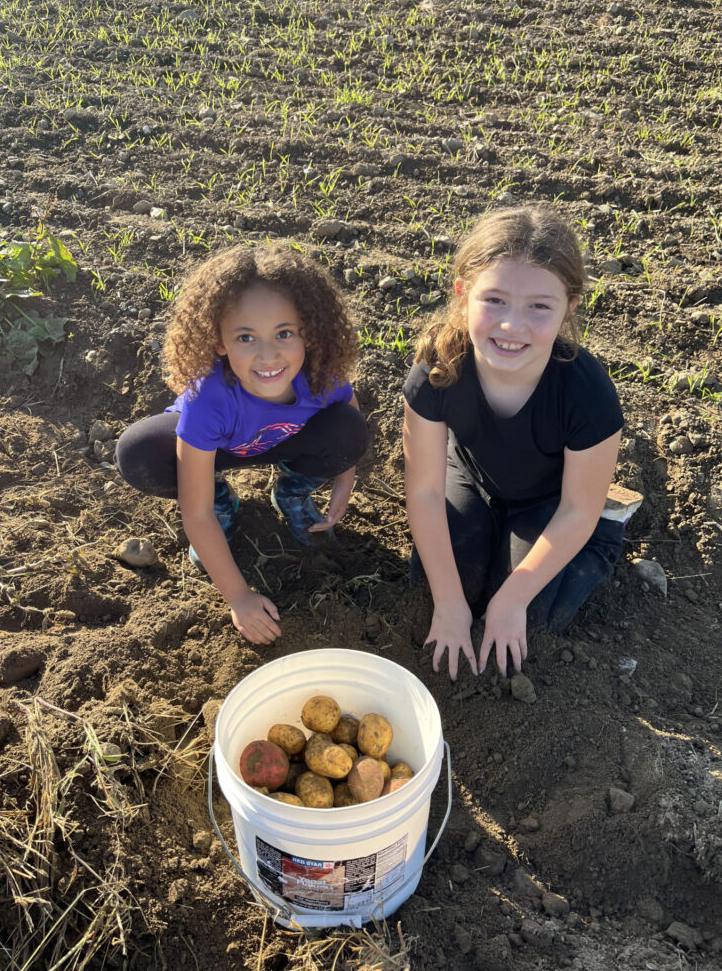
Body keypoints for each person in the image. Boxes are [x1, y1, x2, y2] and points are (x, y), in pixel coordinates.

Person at [403, 205, 624, 681]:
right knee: (442, 593)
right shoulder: (436, 372)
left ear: (570, 306)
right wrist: (448, 601)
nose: (511, 325)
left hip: (553, 503)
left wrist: (514, 597)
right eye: (495, 300)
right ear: (464, 295)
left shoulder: (586, 393)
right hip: (471, 478)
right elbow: (423, 491)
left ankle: (607, 539)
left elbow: (576, 510)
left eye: (539, 307)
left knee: (528, 623)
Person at [116, 244, 368, 645]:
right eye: (246, 337)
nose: (269, 355)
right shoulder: (209, 400)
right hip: (216, 450)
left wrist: (344, 482)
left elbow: (351, 421)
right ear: (220, 342)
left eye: (284, 333)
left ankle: (293, 493)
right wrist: (239, 597)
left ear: (309, 332)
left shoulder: (321, 378)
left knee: (349, 428)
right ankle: (225, 503)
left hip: (286, 441)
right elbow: (193, 513)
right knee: (140, 452)